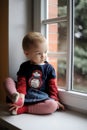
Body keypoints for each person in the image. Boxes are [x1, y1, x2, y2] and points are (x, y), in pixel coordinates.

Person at [4, 32, 64, 115]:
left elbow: (52, 86)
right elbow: (22, 82)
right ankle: (15, 97)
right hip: (23, 94)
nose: (43, 55)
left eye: (45, 51)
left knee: (53, 105)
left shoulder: (49, 68)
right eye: (39, 53)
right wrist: (21, 94)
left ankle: (24, 109)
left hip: (39, 96)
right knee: (7, 80)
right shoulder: (24, 66)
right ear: (27, 53)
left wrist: (55, 99)